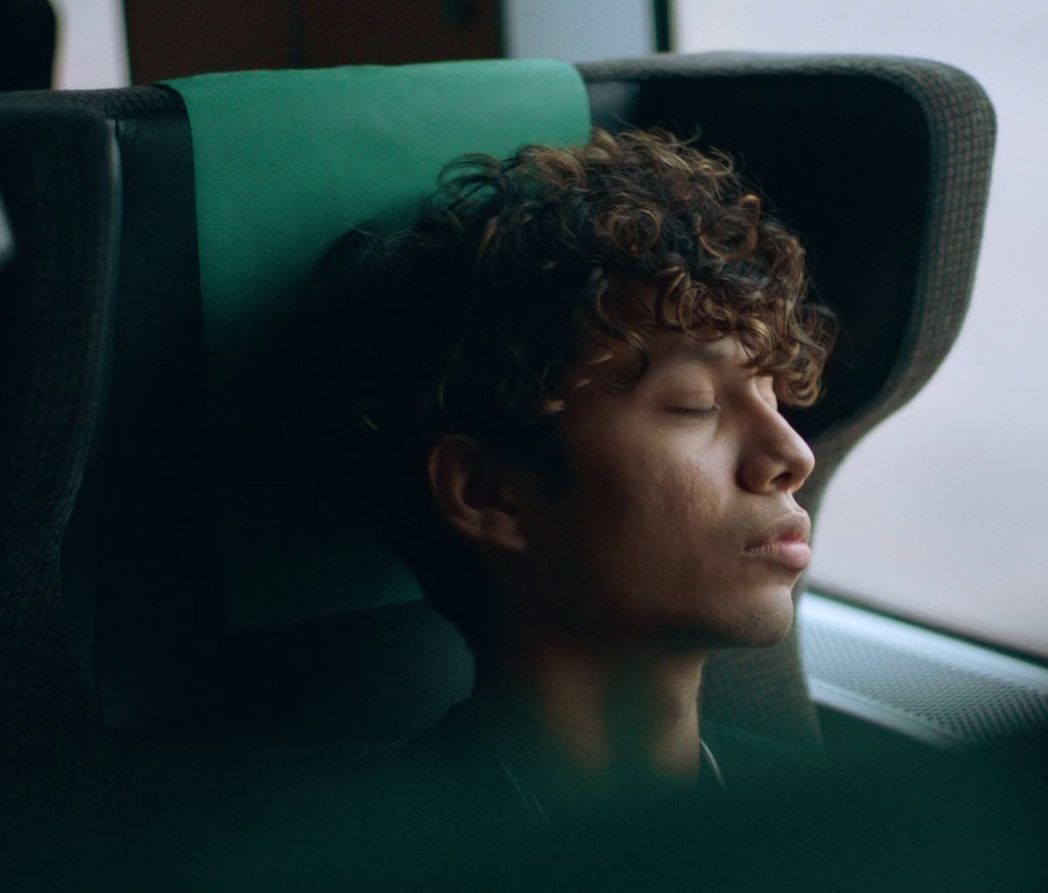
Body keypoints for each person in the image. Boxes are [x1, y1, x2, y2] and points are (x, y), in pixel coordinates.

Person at [301, 127, 835, 836]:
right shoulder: (371, 858)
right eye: (693, 404)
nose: (792, 454)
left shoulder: (818, 820)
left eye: (771, 397)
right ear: (489, 493)